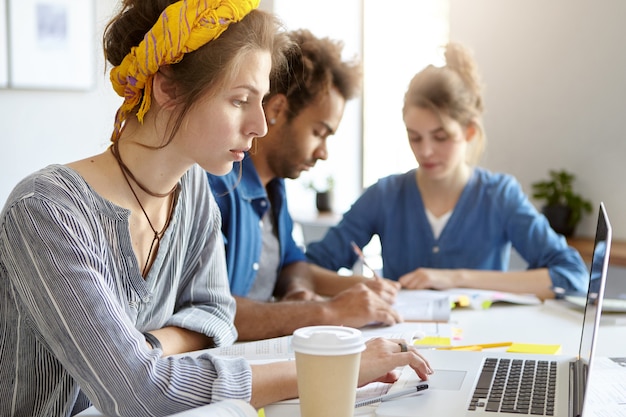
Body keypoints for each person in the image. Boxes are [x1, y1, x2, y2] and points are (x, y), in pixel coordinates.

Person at [0, 1, 433, 416]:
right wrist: (333, 368)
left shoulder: (192, 193)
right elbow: (141, 394)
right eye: (240, 100)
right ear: (167, 87)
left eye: (261, 102)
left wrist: (145, 347)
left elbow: (218, 314)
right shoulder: (45, 212)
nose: (260, 125)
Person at [306, 43, 589, 300]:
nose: (426, 151)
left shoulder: (499, 195)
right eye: (415, 137)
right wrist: (366, 287)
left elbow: (572, 275)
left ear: (468, 131)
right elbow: (305, 270)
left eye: (440, 137)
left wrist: (455, 279)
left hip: (483, 345)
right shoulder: (385, 195)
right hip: (404, 347)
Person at [208, 28, 402, 342]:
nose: (323, 152)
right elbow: (213, 313)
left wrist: (298, 290)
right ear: (277, 111)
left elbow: (293, 262)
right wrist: (326, 312)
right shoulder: (217, 187)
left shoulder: (274, 188)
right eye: (319, 133)